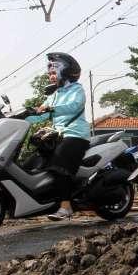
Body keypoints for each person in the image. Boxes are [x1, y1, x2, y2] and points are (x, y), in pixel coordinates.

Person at [26, 52, 91, 221]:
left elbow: (75, 106)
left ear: (65, 72)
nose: (51, 76)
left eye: (53, 72)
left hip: (75, 135)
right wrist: (22, 116)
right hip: (57, 137)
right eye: (49, 73)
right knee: (33, 163)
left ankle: (65, 206)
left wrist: (51, 109)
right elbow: (40, 115)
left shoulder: (77, 90)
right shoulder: (54, 95)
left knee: (58, 164)